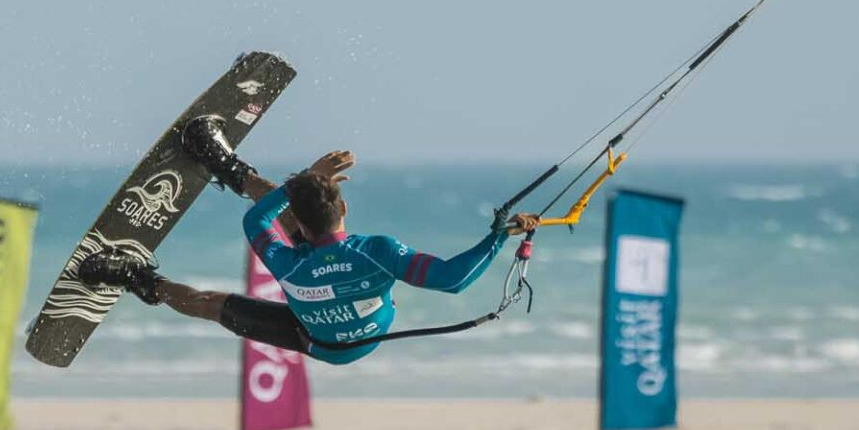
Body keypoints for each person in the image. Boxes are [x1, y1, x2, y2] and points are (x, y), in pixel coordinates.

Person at [78, 119, 539, 365]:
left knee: (207, 303)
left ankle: (229, 172)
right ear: (343, 209)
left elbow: (260, 216)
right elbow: (453, 280)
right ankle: (136, 279)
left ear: (296, 223)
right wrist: (496, 237)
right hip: (350, 343)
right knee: (210, 304)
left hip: (308, 336)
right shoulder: (377, 253)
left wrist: (308, 177)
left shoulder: (286, 260)